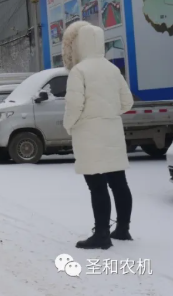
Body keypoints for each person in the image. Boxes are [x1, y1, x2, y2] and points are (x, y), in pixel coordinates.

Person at [62, 21, 134, 250]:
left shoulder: (79, 71)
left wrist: (69, 125)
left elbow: (74, 105)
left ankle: (102, 234)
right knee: (119, 182)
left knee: (96, 184)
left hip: (88, 134)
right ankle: (123, 229)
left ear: (78, 45)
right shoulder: (112, 69)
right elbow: (127, 102)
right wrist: (108, 113)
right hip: (112, 132)